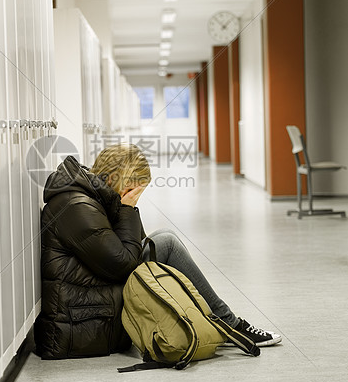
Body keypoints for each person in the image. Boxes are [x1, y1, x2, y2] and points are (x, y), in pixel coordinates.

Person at [34, 144, 282, 360]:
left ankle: (222, 322)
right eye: (134, 189)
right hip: (80, 317)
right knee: (167, 244)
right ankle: (231, 325)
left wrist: (126, 208)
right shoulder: (78, 206)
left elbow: (135, 242)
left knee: (164, 237)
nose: (136, 197)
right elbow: (123, 265)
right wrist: (127, 208)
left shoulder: (90, 197)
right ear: (116, 180)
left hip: (91, 298)